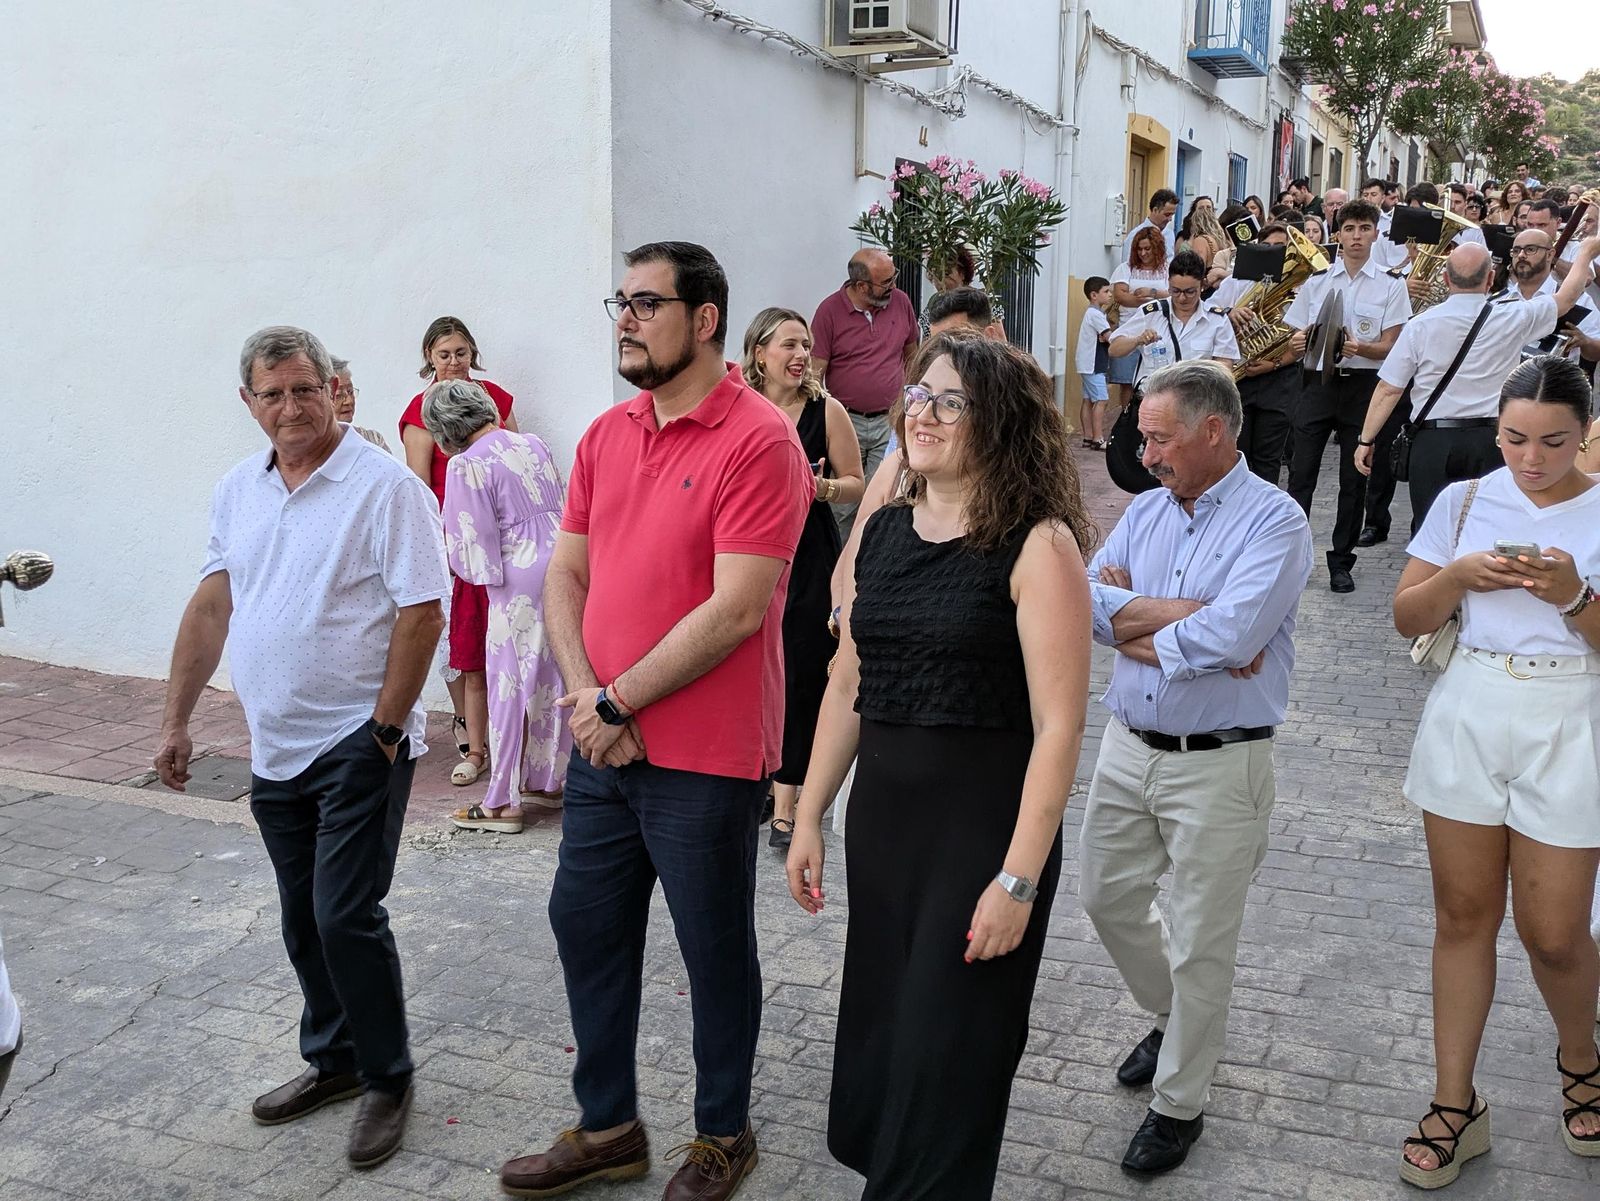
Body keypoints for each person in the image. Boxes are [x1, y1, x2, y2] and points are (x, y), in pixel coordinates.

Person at [500, 242, 809, 1201]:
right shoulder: (605, 433)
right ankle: (610, 1127)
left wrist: (616, 700)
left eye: (646, 303)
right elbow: (565, 573)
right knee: (585, 926)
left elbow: (738, 607)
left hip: (706, 760)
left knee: (714, 948)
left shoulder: (760, 440)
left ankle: (723, 1132)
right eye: (619, 302)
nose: (625, 319)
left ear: (705, 317)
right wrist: (595, 700)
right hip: (607, 746)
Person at [786, 332, 1094, 1199]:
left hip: (980, 844)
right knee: (887, 1044)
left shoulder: (1039, 547)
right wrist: (809, 813)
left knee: (947, 1059)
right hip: (884, 837)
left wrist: (1019, 881)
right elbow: (849, 678)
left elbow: (1060, 727)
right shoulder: (882, 531)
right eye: (918, 396)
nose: (923, 413)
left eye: (949, 401)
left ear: (995, 421)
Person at [155, 326, 448, 1170]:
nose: (290, 407)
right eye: (272, 394)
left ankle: (388, 1075)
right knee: (300, 915)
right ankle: (335, 1058)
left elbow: (422, 611)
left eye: (305, 389)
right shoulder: (237, 490)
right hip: (274, 745)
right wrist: (174, 718)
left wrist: (385, 733)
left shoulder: (385, 488)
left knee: (343, 913)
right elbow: (214, 604)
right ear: (248, 403)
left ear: (334, 389)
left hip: (359, 739)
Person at [1081, 359, 1313, 1175]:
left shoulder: (1276, 523)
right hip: (1125, 747)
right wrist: (1187, 623)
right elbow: (1084, 604)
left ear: (1213, 430)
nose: (1144, 454)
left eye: (1157, 437)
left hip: (1220, 766)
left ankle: (1179, 1104)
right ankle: (1178, 1018)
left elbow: (1234, 642)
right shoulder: (1145, 512)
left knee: (1203, 939)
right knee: (1104, 899)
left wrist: (1134, 619)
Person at [1390, 355, 1600, 1189]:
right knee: (1461, 914)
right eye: (1514, 437)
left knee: (1553, 933)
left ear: (1585, 433)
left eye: (1553, 440)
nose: (1530, 457)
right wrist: (1457, 575)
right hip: (1471, 704)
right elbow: (1406, 612)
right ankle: (1454, 1102)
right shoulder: (1466, 500)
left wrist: (1574, 595)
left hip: (1571, 714)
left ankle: (1581, 1058)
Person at [1355, 239, 1600, 532]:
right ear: (1490, 279)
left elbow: (1389, 389)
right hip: (1491, 440)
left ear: (1445, 280)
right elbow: (1567, 298)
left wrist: (1366, 440)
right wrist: (1586, 251)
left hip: (1433, 442)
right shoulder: (1512, 316)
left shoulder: (1420, 324)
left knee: (1432, 532)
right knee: (1489, 531)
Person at [421, 379, 570, 834]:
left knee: (508, 682)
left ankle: (503, 801)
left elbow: (469, 548)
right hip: (561, 561)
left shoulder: (467, 465)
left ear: (445, 432)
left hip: (517, 575)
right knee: (554, 671)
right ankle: (549, 779)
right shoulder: (534, 444)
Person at [740, 306, 864, 851]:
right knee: (755, 666)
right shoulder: (740, 407)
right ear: (759, 352)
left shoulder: (826, 409)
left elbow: (858, 482)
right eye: (787, 345)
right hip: (745, 550)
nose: (799, 355)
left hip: (809, 554)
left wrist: (824, 490)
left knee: (800, 668)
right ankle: (765, 781)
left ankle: (789, 799)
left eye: (805, 345)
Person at [398, 316, 519, 785]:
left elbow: (512, 455)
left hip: (502, 535)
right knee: (459, 641)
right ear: (429, 356)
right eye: (444, 353)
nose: (453, 362)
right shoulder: (420, 411)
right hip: (452, 539)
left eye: (461, 353)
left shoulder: (496, 400)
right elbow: (420, 485)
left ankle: (508, 733)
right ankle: (470, 730)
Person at [1284, 199, 1411, 592]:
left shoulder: (1391, 285)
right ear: (1337, 234)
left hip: (1362, 387)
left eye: (1364, 229)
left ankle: (1341, 562)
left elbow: (1393, 345)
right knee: (1300, 475)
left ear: (1375, 234)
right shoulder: (1318, 281)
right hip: (1318, 384)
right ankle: (1291, 560)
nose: (1356, 237)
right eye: (1350, 229)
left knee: (1353, 479)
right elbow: (1291, 344)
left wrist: (1362, 349)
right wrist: (1300, 340)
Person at [812, 248, 919, 540]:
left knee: (882, 499)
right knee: (844, 505)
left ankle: (869, 568)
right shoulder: (829, 312)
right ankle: (837, 573)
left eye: (893, 278)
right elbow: (814, 372)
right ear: (861, 286)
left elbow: (913, 356)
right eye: (886, 282)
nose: (893, 286)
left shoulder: (901, 303)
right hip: (847, 422)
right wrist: (818, 422)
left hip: (890, 419)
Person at [1212, 222, 1303, 484]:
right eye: (1269, 246)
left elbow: (1302, 336)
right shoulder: (1234, 282)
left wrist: (1274, 363)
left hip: (1278, 377)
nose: (1275, 253)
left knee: (1268, 457)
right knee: (1236, 453)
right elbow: (1207, 313)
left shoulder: (1298, 288)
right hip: (1240, 376)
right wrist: (1229, 313)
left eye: (1282, 248)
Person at [1107, 250, 1240, 388]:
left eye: (1190, 292)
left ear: (1202, 286)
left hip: (1196, 401)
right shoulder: (1151, 313)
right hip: (1153, 401)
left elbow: (1225, 367)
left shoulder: (1216, 320)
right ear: (1168, 284)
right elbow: (1114, 349)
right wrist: (1137, 340)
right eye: (1175, 291)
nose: (1182, 298)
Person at [1109, 227, 1172, 415]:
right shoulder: (1126, 268)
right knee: (1127, 382)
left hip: (1158, 332)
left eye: (1147, 249)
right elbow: (1121, 296)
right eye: (1139, 249)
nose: (1143, 253)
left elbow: (1173, 294)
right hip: (1130, 329)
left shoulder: (1168, 269)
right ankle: (1128, 416)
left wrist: (1150, 294)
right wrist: (1151, 302)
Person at [1077, 276, 1114, 449]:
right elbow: (1110, 337)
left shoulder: (1091, 314)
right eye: (1106, 292)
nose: (1109, 295)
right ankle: (1098, 439)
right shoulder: (1096, 315)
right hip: (1094, 364)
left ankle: (1088, 436)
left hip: (1086, 363)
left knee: (1088, 400)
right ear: (1094, 295)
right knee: (1101, 400)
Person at [331, 357, 391, 453]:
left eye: (350, 392)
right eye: (339, 395)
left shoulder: (373, 441)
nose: (349, 401)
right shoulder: (310, 449)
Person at [1123, 187, 1180, 263]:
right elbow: (1127, 267)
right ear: (1155, 210)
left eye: (1172, 215)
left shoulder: (1169, 234)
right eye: (1167, 214)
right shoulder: (1135, 235)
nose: (1170, 219)